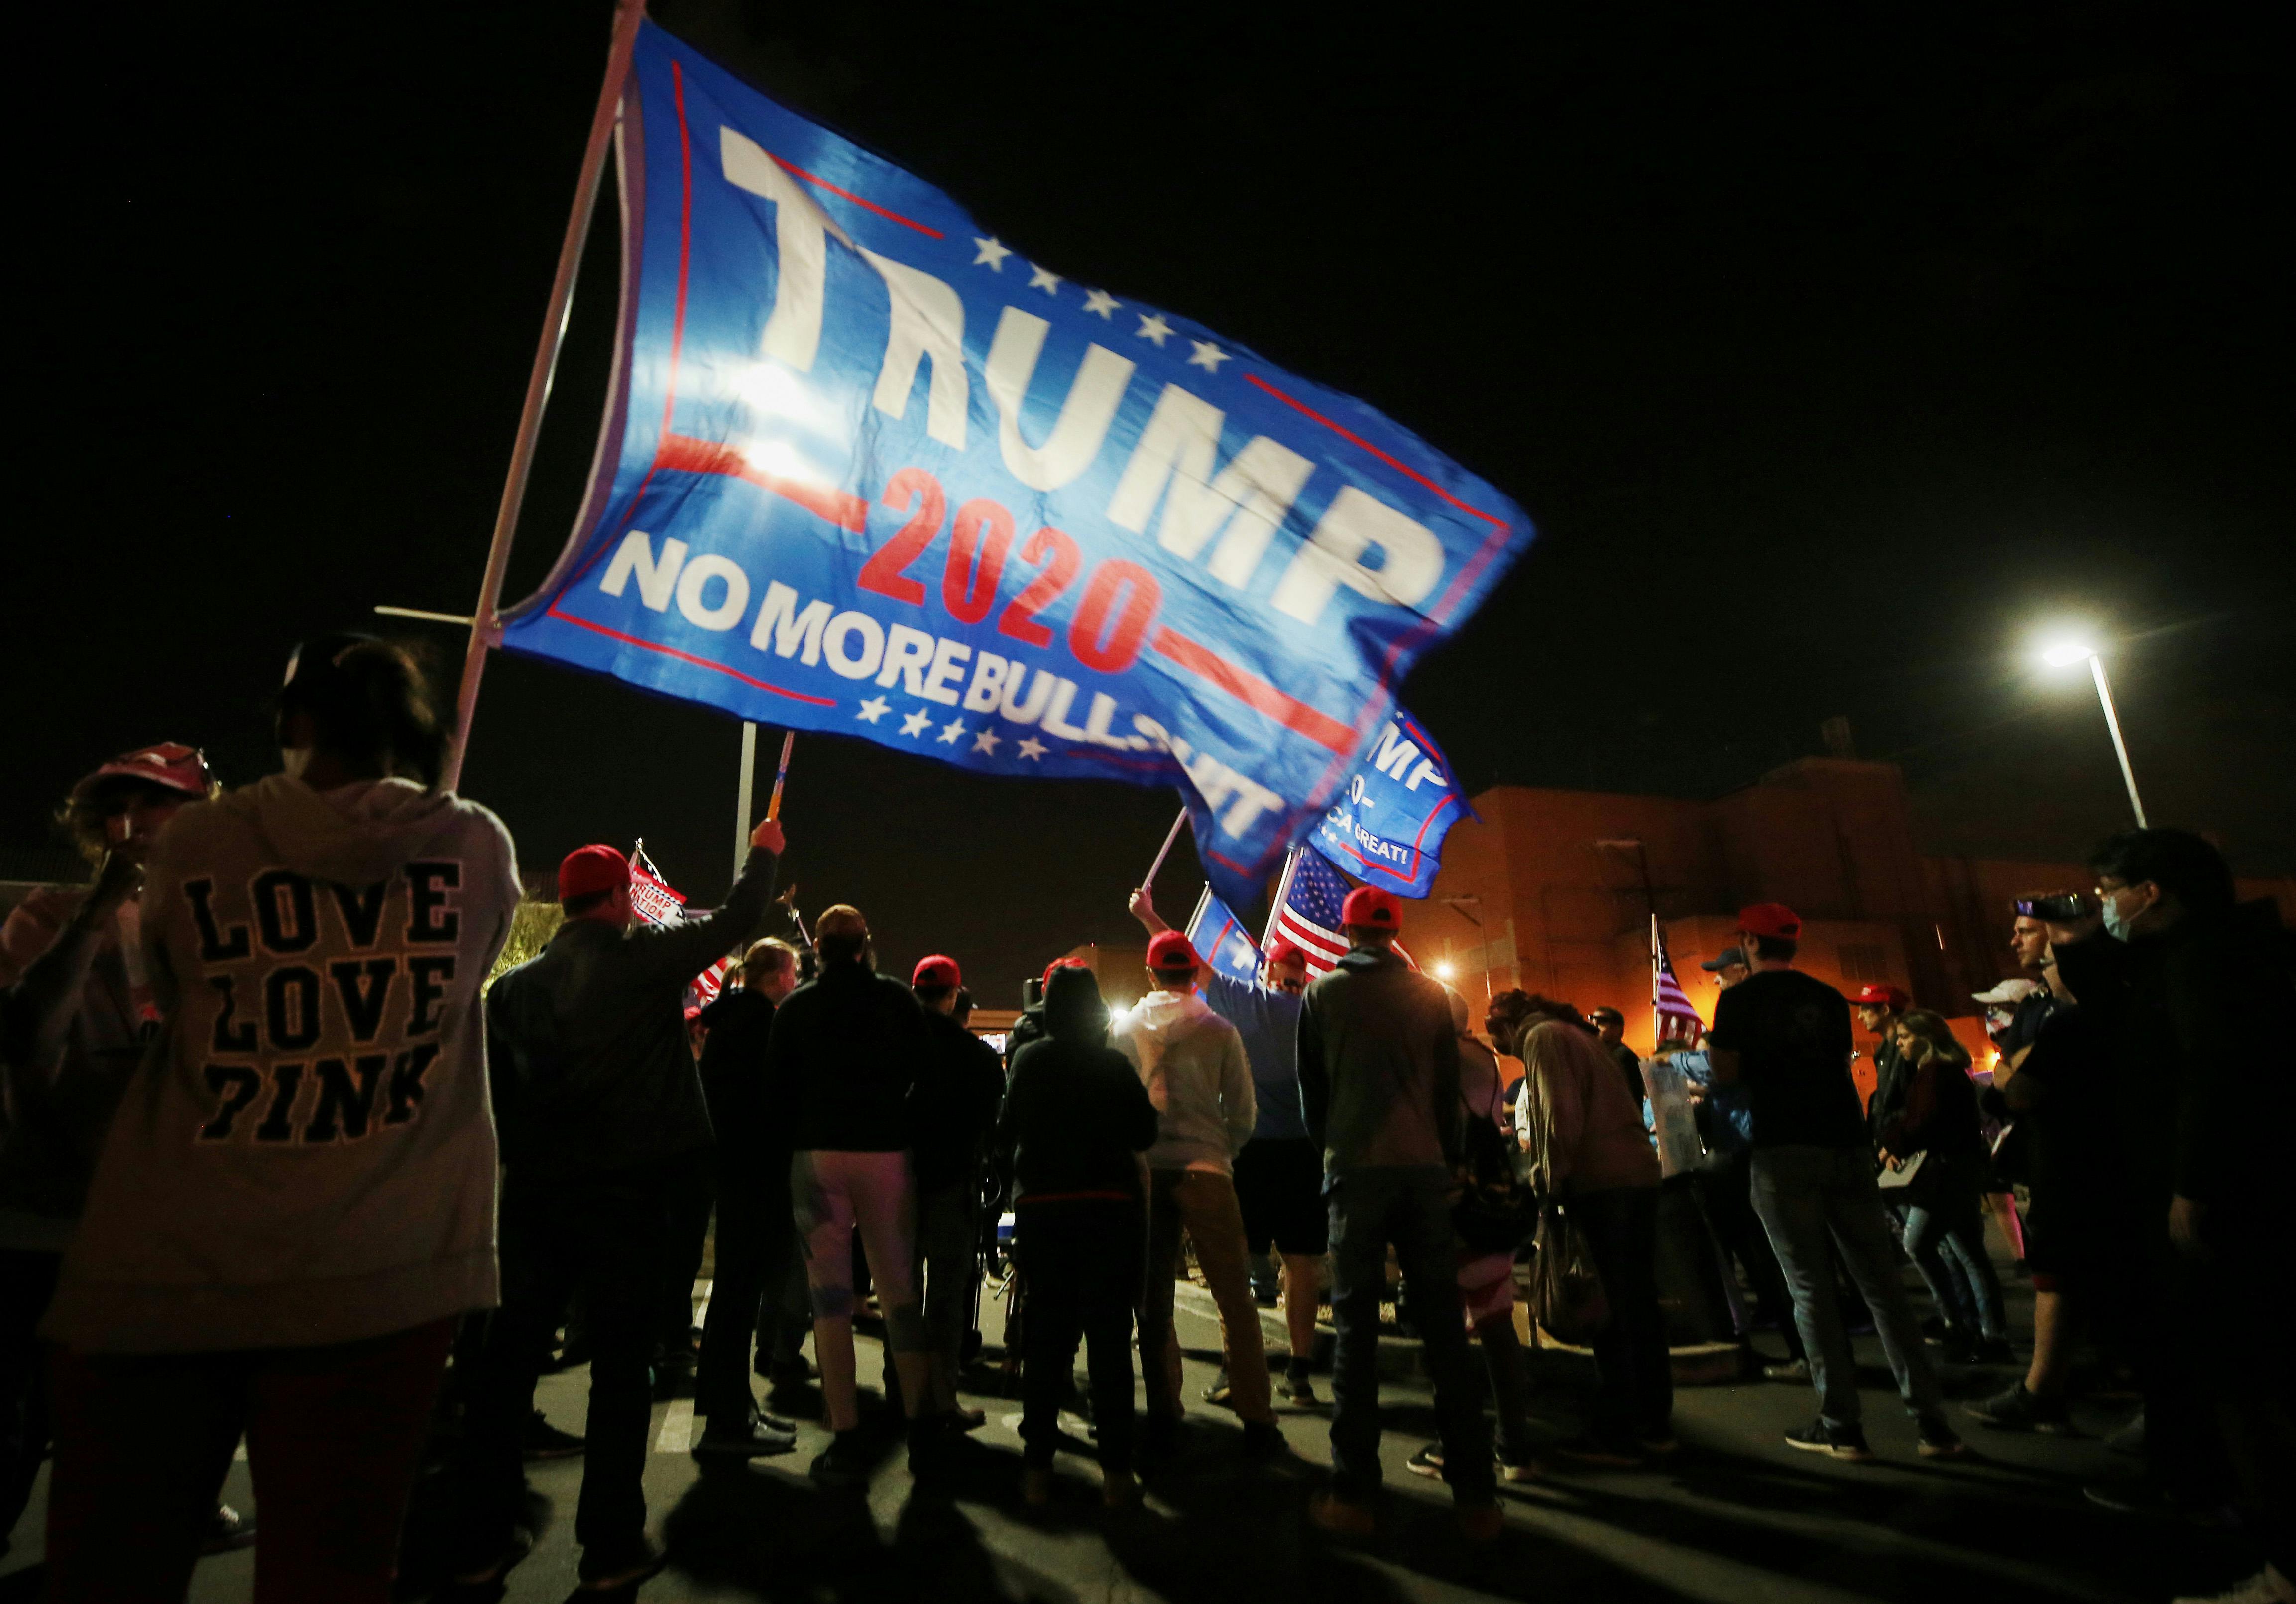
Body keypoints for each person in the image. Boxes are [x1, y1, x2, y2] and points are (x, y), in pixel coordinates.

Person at [39, 636, 521, 1603]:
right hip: (384, 1267)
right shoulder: (475, 845)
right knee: (330, 1570)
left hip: (173, 1253)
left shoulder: (200, 843)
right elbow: (469, 972)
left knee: (112, 1563)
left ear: (294, 725)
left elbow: (169, 995)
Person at [463, 819, 786, 1588]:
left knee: (506, 1372)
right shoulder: (643, 964)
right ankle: (610, 1544)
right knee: (620, 1373)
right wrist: (763, 855)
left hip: (534, 1200)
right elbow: (738, 919)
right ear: (617, 900)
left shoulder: (509, 992)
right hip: (629, 1198)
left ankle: (476, 1536)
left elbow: (490, 1105)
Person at [0, 744, 255, 1562]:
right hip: (49, 1222)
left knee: (148, 1417)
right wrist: (99, 910)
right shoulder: (47, 916)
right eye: (112, 812)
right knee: (19, 1426)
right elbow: (28, 1044)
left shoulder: (228, 925)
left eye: (152, 807)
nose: (127, 827)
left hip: (166, 1225)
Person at [2047, 830, 2293, 1604]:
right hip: (2234, 1192)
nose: (2103, 905)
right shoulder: (2208, 952)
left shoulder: (2204, 961)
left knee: (2250, 1384)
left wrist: (2194, 1186)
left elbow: (2212, 1077)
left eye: (2108, 890)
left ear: (2150, 890)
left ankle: (2286, 1567)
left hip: (2229, 1200)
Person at [1705, 902, 1965, 1462]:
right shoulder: (1825, 997)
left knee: (1810, 1287)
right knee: (1882, 1286)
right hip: (1845, 1142)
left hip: (1781, 1147)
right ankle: (1932, 1423)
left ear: (1750, 941)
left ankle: (1841, 1423)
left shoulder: (1738, 999)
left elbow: (1727, 1072)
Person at [1298, 887, 1500, 1541]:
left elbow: (1314, 1094)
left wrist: (1335, 1148)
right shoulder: (1431, 997)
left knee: (1356, 1332)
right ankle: (1476, 1499)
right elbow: (1447, 1091)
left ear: (1346, 929)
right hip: (1423, 1171)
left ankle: (1354, 1494)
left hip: (1356, 1171)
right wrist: (1446, 1160)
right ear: (1395, 933)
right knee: (1446, 1330)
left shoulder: (1323, 994)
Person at [762, 903, 940, 1488]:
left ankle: (845, 1430)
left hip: (817, 1154)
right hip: (885, 1151)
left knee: (830, 1298)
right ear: (865, 943)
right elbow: (924, 1069)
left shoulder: (796, 1007)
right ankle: (920, 1423)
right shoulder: (895, 999)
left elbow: (778, 1086)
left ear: (816, 946)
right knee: (898, 1292)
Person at [1129, 886, 1324, 1404]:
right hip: (1305, 1151)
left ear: (1268, 974)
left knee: (1233, 1268)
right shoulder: (1318, 1017)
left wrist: (1149, 914)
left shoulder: (1246, 1005)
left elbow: (1185, 963)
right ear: (1305, 980)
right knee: (1302, 1262)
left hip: (1252, 1153)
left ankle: (1233, 1372)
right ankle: (1299, 1371)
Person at [1114, 930, 1282, 1457]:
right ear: (1194, 973)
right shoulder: (1220, 1029)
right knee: (1235, 1296)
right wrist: (1221, 1151)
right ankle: (1256, 1413)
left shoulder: (1123, 1029)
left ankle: (1166, 1408)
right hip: (1207, 1168)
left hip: (1146, 1170)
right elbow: (1244, 1110)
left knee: (1153, 1296)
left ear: (1149, 973)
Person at [998, 963, 1160, 1507]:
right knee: (1110, 1344)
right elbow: (1145, 1131)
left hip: (1044, 1212)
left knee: (1046, 1343)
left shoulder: (1027, 1059)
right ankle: (1117, 1474)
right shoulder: (1113, 1065)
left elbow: (1006, 1129)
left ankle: (1036, 1470)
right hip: (1109, 1212)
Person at [1514, 997, 1672, 1465]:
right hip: (1635, 1175)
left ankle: (1619, 1430)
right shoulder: (1584, 1041)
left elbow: (1560, 1115)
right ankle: (1654, 1422)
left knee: (1609, 1309)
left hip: (1602, 1183)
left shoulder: (1542, 1039)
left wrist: (1548, 1179)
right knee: (1638, 1303)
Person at [1407, 987, 1542, 1484]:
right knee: (1496, 1323)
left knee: (1450, 1331)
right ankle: (1516, 1446)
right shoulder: (1485, 1058)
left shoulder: (1442, 1059)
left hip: (1453, 1204)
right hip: (1492, 1197)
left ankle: (1457, 1445)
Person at [1656, 949, 1808, 1382]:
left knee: (1765, 1252)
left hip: (1745, 1143)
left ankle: (1806, 1353)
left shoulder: (1745, 1009)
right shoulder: (1796, 1005)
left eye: (1720, 975)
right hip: (1763, 1141)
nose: (1716, 983)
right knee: (1775, 1255)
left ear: (1742, 969)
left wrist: (1676, 1062)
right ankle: (1809, 1350)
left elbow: (1721, 1066)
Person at [692, 937, 804, 1456]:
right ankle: (729, 1416)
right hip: (755, 1172)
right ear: (777, 974)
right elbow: (774, 1101)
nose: (798, 977)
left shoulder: (728, 1021)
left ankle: (725, 1402)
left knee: (732, 1296)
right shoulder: (762, 1024)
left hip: (732, 1171)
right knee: (739, 1295)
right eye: (795, 968)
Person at [1878, 1010, 2011, 1364]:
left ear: (1926, 1037)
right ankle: (1990, 1333)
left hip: (1944, 1173)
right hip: (1959, 1169)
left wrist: (1893, 1143)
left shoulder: (1934, 1073)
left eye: (1905, 1037)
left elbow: (1921, 1120)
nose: (1900, 1043)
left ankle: (1958, 1323)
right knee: (1969, 1253)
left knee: (1918, 1243)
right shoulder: (1942, 1071)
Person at [906, 953, 1005, 1427]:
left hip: (897, 1185)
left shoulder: (892, 1048)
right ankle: (941, 1397)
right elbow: (991, 1124)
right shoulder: (977, 1056)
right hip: (952, 1184)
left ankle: (898, 1388)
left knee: (900, 1295)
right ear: (953, 995)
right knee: (946, 1299)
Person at [1586, 1005, 1644, 1112]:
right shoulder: (1603, 1056)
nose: (1594, 1026)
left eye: (1601, 1022)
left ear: (1617, 1029)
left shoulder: (1624, 1057)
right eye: (1592, 1020)